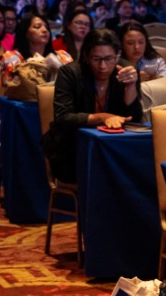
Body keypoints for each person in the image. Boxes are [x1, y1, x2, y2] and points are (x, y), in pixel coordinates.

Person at [43, 28, 142, 184]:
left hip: (114, 148)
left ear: (117, 55)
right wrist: (102, 117)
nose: (102, 66)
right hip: (72, 149)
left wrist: (131, 86)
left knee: (135, 173)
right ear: (86, 57)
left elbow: (135, 119)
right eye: (96, 59)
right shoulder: (70, 73)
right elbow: (63, 118)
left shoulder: (126, 71)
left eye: (109, 59)